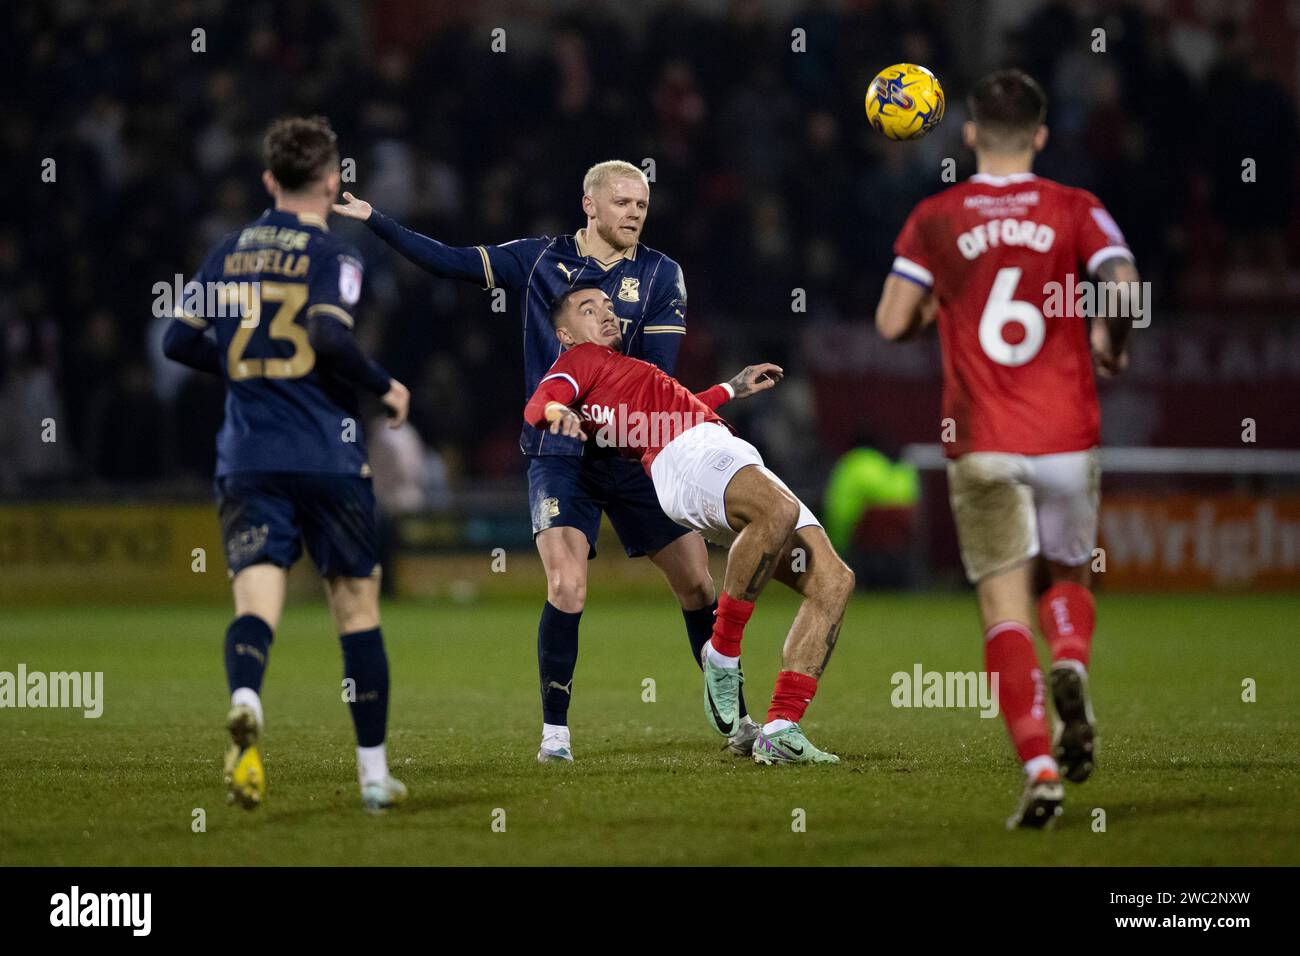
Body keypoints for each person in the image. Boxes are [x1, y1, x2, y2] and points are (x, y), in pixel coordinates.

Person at [332, 161, 762, 761]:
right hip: (560, 453)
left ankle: (738, 721)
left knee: (695, 583)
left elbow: (657, 376)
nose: (635, 213)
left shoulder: (663, 274)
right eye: (622, 202)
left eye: (642, 203)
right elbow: (453, 262)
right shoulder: (538, 259)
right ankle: (555, 734)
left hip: (637, 449)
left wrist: (709, 398)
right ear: (589, 204)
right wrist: (376, 221)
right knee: (567, 584)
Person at [875, 69, 1140, 828]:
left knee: (1001, 608)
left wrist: (935, 305)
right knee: (1071, 573)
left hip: (982, 438)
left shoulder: (936, 216)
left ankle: (1041, 770)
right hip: (1064, 436)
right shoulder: (1074, 207)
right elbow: (1123, 284)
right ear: (1042, 135)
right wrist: (1110, 342)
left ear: (966, 135)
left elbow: (891, 323)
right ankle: (1073, 665)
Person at [163, 116, 411, 813]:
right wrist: (384, 385)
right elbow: (330, 335)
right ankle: (371, 774)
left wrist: (244, 367)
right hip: (327, 452)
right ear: (333, 182)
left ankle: (246, 699)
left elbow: (178, 342)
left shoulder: (227, 250)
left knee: (256, 603)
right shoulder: (338, 255)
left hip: (247, 457)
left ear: (269, 180)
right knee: (357, 608)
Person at [524, 286, 855, 764]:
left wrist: (731, 389)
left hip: (717, 450)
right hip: (689, 457)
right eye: (589, 309)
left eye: (610, 306)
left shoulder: (622, 381)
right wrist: (559, 414)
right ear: (564, 334)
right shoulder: (580, 360)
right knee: (776, 513)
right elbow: (539, 404)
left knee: (833, 581)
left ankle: (781, 728)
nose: (607, 314)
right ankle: (721, 652)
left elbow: (677, 408)